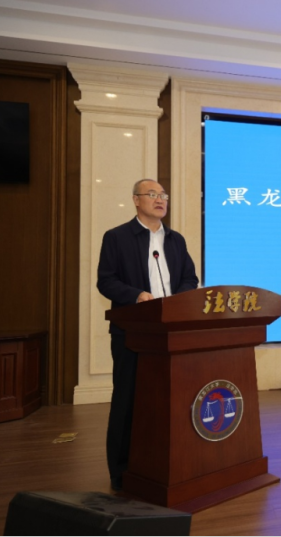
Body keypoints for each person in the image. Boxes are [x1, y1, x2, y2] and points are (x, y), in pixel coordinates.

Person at [96, 179, 199, 491]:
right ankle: (121, 471)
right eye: (152, 194)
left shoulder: (176, 240)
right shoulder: (117, 237)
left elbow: (189, 278)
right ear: (136, 200)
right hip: (133, 332)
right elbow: (106, 281)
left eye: (163, 195)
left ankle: (165, 462)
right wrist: (137, 295)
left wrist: (177, 300)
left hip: (169, 332)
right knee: (127, 400)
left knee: (167, 399)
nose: (160, 199)